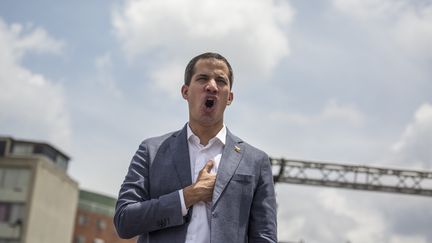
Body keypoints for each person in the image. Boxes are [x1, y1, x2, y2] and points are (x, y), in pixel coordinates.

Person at [114, 52, 277, 243]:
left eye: (221, 81)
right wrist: (187, 196)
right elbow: (124, 220)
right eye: (202, 78)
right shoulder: (151, 151)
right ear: (185, 91)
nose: (212, 86)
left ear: (230, 97)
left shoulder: (256, 161)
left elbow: (264, 237)